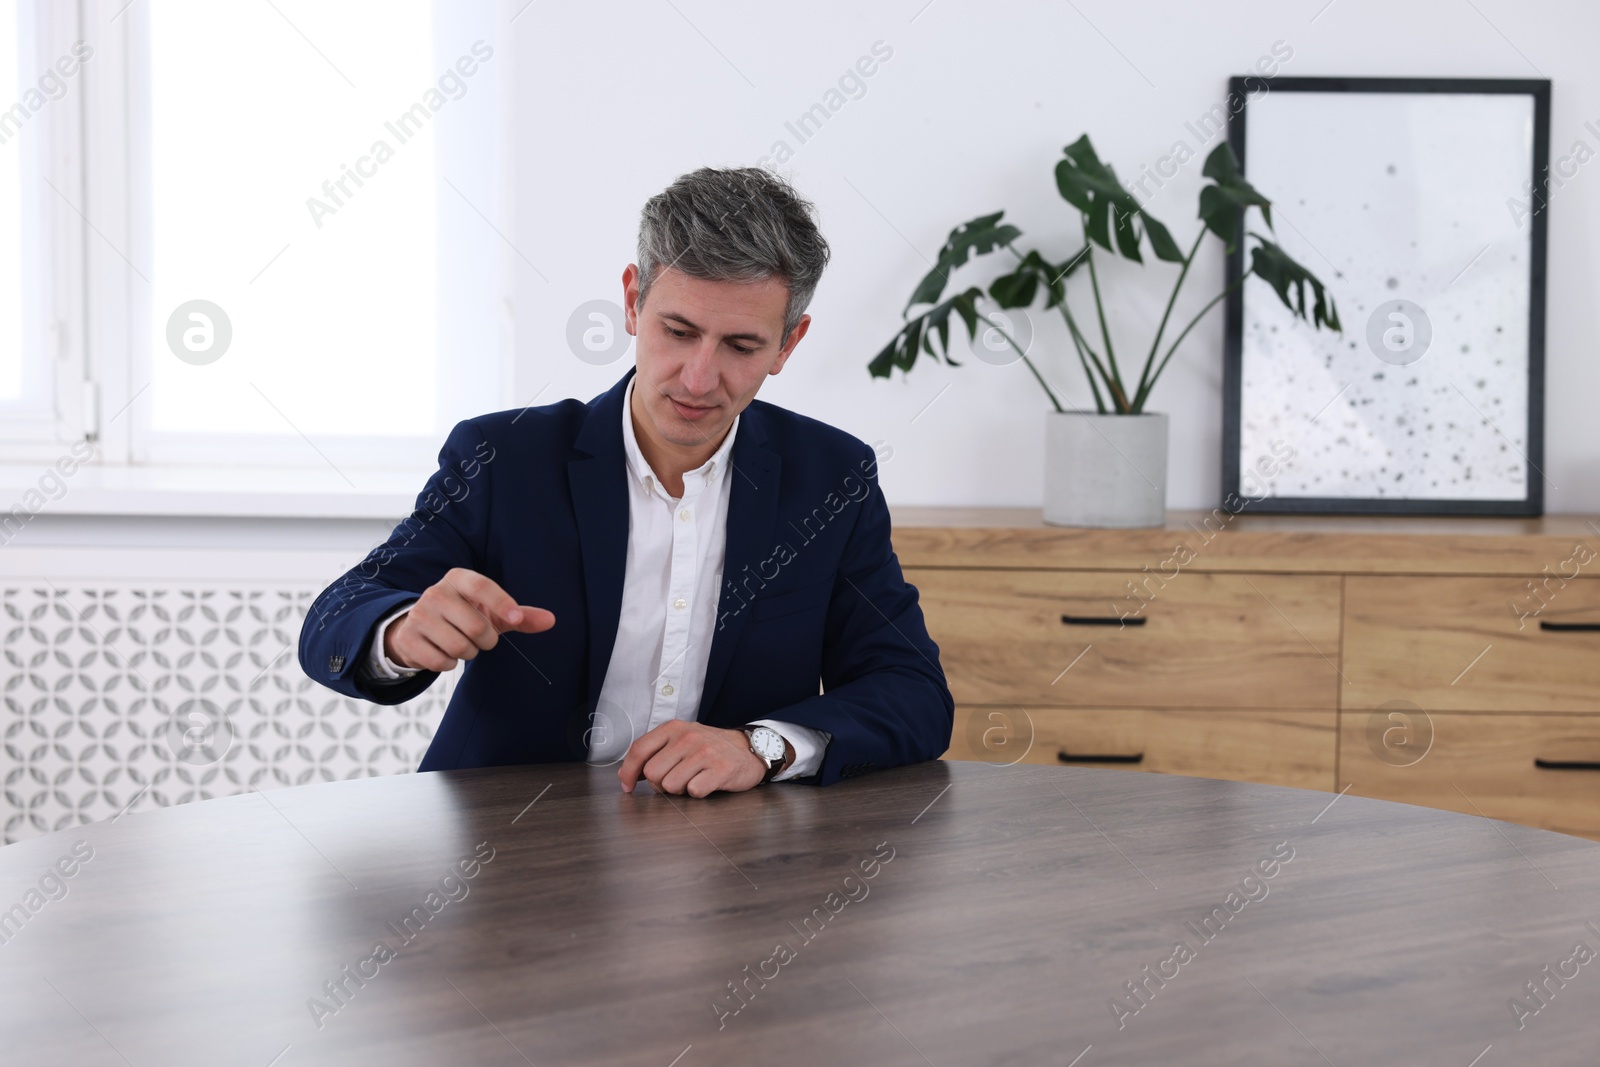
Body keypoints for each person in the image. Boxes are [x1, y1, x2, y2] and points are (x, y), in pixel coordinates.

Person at [298, 166, 952, 796]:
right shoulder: (503, 456)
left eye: (741, 346)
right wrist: (400, 630)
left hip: (731, 860)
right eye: (679, 330)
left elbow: (912, 691)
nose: (698, 378)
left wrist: (760, 746)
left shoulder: (832, 477)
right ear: (632, 301)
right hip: (509, 849)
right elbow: (338, 613)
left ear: (788, 343)